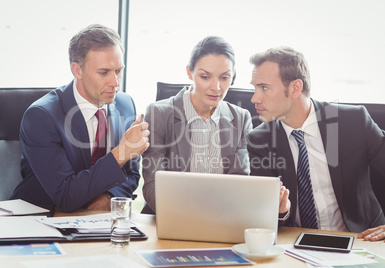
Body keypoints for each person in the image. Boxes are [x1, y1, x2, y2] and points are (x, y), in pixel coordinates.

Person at [247, 46, 385, 242]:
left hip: (362, 239)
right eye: (254, 88)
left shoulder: (352, 122)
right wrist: (280, 212)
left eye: (264, 88)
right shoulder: (259, 140)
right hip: (296, 244)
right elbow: (265, 217)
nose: (254, 98)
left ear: (295, 88)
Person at [11, 24, 150, 213]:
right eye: (104, 72)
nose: (115, 83)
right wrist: (121, 153)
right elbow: (66, 195)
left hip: (98, 219)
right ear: (77, 70)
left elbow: (131, 173)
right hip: (43, 217)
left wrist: (109, 197)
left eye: (118, 70)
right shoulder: (41, 117)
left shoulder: (126, 104)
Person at [141, 36, 252, 214]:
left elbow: (239, 182)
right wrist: (190, 215)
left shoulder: (241, 118)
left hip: (222, 218)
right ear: (189, 72)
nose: (216, 87)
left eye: (224, 77)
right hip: (171, 218)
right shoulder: (158, 114)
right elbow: (153, 185)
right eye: (205, 77)